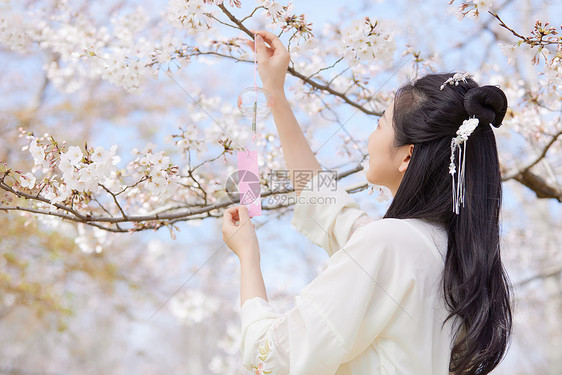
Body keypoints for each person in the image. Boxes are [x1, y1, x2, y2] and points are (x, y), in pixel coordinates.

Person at [221, 30, 512, 375]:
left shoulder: (389, 243)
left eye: (378, 125)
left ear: (407, 156)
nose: (369, 138)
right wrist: (275, 94)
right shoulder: (452, 256)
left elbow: (270, 357)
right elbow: (325, 203)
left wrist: (248, 258)